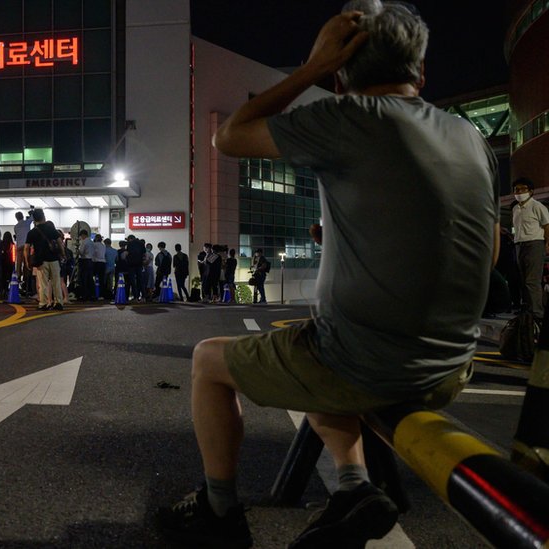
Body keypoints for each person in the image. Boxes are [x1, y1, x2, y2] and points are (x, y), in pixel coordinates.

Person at [159, 3, 499, 548]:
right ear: (422, 73)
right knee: (313, 346)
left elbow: (230, 137)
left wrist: (308, 72)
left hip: (365, 362)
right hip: (452, 368)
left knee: (208, 361)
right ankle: (353, 485)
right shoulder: (469, 137)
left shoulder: (348, 118)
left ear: (339, 76)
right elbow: (487, 250)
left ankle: (219, 511)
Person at [511, 177, 549, 320]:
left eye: (522, 189)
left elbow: (547, 226)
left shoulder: (537, 206)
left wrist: (547, 243)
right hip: (519, 245)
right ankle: (527, 311)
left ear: (531, 192)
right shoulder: (515, 208)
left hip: (534, 244)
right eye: (516, 189)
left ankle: (537, 314)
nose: (519, 192)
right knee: (523, 280)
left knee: (532, 281)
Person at [25, 208, 65, 311]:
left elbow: (26, 248)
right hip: (54, 259)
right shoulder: (51, 228)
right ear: (43, 216)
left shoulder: (32, 232)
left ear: (34, 219)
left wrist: (27, 261)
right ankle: (58, 303)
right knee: (56, 282)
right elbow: (60, 242)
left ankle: (43, 303)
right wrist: (63, 254)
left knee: (43, 284)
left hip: (41, 261)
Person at [14, 211, 32, 292]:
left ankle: (18, 276)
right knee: (26, 263)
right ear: (22, 216)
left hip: (19, 246)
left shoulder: (16, 227)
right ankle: (26, 277)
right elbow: (33, 218)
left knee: (19, 263)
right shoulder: (27, 223)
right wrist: (31, 213)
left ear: (16, 218)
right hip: (26, 246)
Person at [76, 230, 94, 301]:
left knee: (83, 279)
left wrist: (78, 250)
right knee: (90, 279)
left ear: (83, 235)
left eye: (81, 236)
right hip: (91, 261)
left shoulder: (84, 242)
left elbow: (82, 252)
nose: (81, 237)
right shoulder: (91, 242)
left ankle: (84, 295)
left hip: (84, 261)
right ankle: (91, 295)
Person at [92, 234, 107, 301]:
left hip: (96, 262)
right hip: (103, 263)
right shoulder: (103, 246)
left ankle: (93, 294)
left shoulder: (94, 244)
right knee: (101, 279)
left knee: (91, 277)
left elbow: (92, 253)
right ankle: (102, 295)